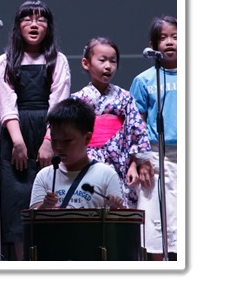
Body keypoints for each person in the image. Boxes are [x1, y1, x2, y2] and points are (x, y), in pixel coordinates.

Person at [0, 0, 71, 260]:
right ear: (18, 26)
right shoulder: (5, 61)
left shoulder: (58, 60)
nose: (34, 24)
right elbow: (6, 103)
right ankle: (22, 265)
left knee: (50, 197)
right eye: (28, 19)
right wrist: (18, 142)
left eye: (41, 20)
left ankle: (49, 261)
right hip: (15, 133)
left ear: (49, 27)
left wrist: (48, 140)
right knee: (18, 201)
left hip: (49, 133)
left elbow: (59, 102)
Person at [71, 37, 152, 208]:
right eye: (102, 60)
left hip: (120, 164)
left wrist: (134, 165)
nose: (108, 66)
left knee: (119, 208)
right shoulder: (78, 99)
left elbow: (136, 131)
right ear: (86, 63)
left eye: (113, 61)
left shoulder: (125, 98)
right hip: (87, 162)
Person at [129, 15, 178, 261]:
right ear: (153, 45)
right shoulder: (144, 80)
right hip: (156, 157)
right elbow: (135, 125)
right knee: (156, 220)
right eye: (163, 37)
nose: (170, 42)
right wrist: (140, 160)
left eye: (176, 37)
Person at [30, 97, 124, 210]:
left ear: (87, 138)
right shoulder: (44, 176)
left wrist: (115, 207)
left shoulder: (107, 175)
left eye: (66, 141)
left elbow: (120, 218)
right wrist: (44, 206)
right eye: (54, 140)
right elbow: (32, 217)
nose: (59, 147)